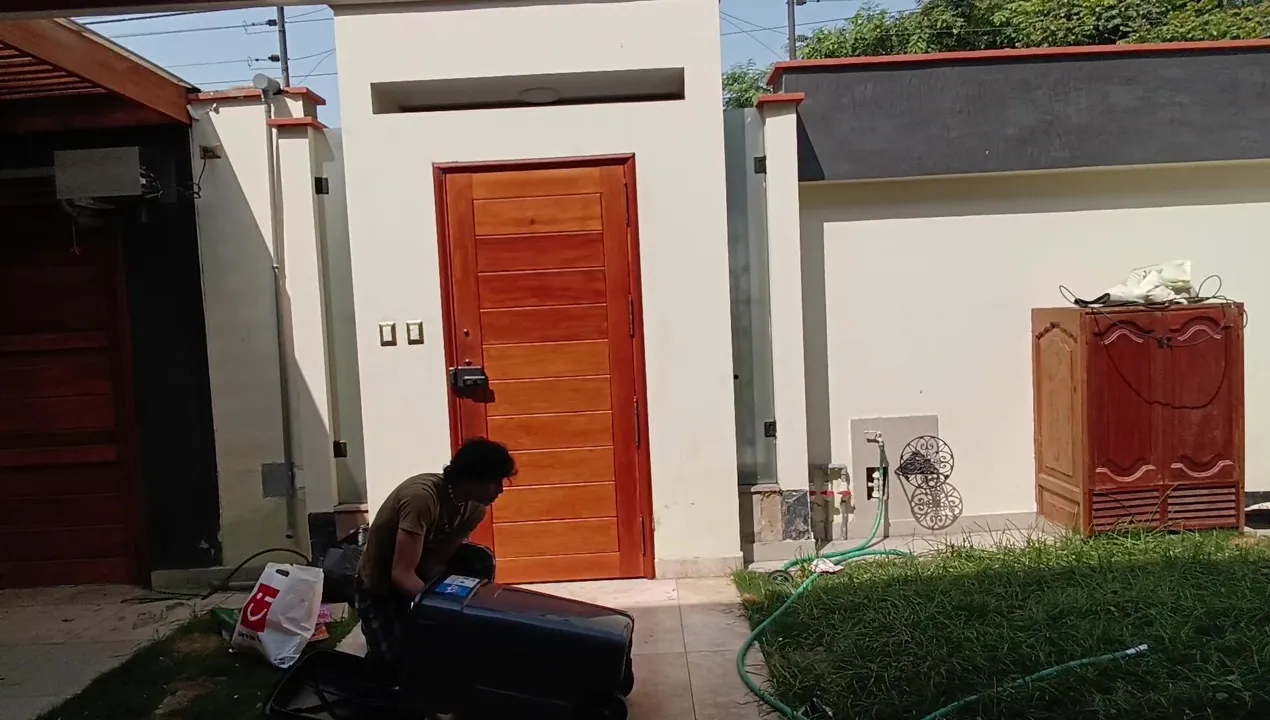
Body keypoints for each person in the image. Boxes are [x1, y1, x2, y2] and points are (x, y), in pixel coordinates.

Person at [354, 437, 516, 671]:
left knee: (479, 558)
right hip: (380, 584)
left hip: (419, 575)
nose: (500, 489)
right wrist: (444, 610)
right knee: (393, 666)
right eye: (495, 481)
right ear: (472, 477)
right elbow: (400, 574)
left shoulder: (475, 508)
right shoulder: (422, 497)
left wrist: (458, 609)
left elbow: (435, 564)